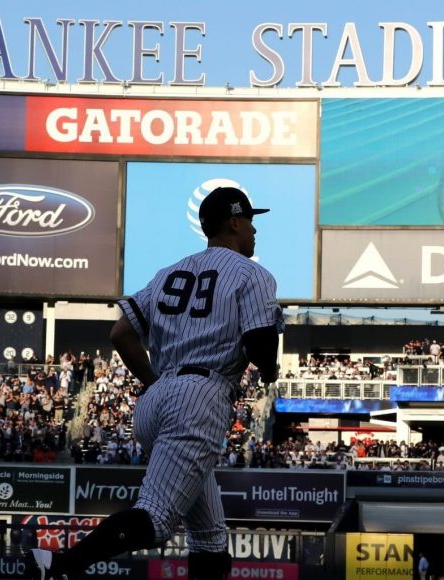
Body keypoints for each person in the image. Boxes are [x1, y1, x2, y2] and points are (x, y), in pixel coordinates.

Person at [25, 187, 283, 580]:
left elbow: (121, 333)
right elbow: (260, 341)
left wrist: (155, 382)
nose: (254, 230)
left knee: (210, 535)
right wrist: (268, 370)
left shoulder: (168, 273)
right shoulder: (253, 273)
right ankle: (58, 564)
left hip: (157, 398)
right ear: (233, 221)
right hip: (199, 397)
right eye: (250, 220)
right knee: (157, 517)